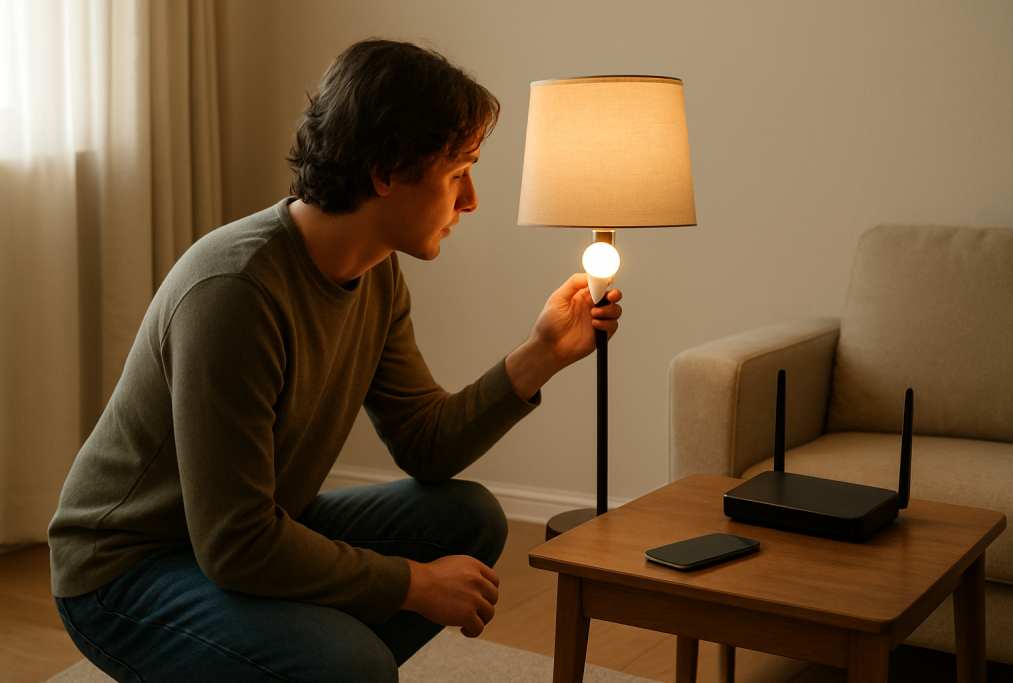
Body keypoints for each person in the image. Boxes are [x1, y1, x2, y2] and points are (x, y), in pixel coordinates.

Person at [48, 39, 622, 682]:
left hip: (245, 529)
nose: (472, 200)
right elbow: (235, 544)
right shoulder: (234, 293)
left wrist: (542, 354)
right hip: (126, 570)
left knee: (468, 520)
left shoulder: (376, 273)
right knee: (351, 666)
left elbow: (423, 443)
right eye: (459, 171)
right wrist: (409, 583)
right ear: (387, 171)